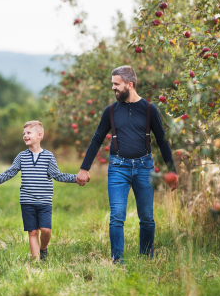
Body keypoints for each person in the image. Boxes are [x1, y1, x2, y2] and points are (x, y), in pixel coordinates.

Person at [76, 65, 177, 263]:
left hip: (144, 167)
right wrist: (84, 168)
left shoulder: (149, 109)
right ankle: (117, 260)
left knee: (147, 217)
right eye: (112, 84)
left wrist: (172, 171)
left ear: (129, 85)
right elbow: (97, 139)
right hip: (117, 168)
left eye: (116, 84)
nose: (113, 88)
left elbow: (162, 141)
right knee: (117, 216)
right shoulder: (111, 111)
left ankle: (147, 258)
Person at [0, 121, 79, 261]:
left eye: (29, 133)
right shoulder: (21, 157)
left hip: (44, 201)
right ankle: (37, 262)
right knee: (32, 232)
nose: (25, 136)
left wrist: (76, 178)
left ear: (40, 135)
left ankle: (43, 249)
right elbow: (8, 173)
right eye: (24, 134)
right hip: (27, 201)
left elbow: (57, 175)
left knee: (46, 230)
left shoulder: (48, 156)